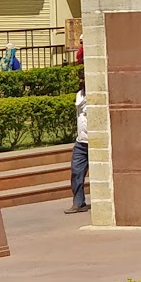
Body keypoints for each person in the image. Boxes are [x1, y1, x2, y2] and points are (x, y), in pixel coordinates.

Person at [66, 68, 90, 214]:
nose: (81, 81)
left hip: (93, 143)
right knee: (76, 172)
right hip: (81, 142)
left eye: (84, 78)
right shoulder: (79, 95)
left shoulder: (95, 96)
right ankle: (79, 203)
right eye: (80, 78)